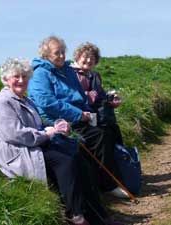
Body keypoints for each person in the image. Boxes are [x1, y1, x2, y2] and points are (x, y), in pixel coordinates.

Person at [0, 58, 123, 225]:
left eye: (24, 76)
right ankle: (75, 214)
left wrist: (57, 126)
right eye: (16, 77)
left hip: (31, 145)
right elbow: (15, 135)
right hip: (16, 152)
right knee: (65, 161)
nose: (21, 80)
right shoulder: (2, 102)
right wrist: (47, 134)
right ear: (6, 79)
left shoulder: (24, 100)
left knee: (80, 159)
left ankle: (99, 216)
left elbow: (37, 125)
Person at [27, 35, 128, 198]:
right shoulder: (40, 74)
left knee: (108, 130)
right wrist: (79, 114)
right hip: (57, 120)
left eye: (62, 52)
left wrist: (88, 113)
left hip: (78, 116)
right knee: (98, 136)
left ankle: (108, 180)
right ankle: (108, 186)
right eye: (56, 53)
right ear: (46, 55)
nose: (61, 56)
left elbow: (80, 96)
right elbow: (47, 102)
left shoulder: (67, 70)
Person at [71, 42, 123, 145]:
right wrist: (88, 95)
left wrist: (111, 99)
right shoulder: (71, 74)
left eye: (92, 58)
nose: (89, 60)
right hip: (81, 117)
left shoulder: (95, 75)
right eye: (85, 57)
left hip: (98, 117)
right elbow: (70, 95)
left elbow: (100, 95)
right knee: (102, 136)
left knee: (114, 131)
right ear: (77, 57)